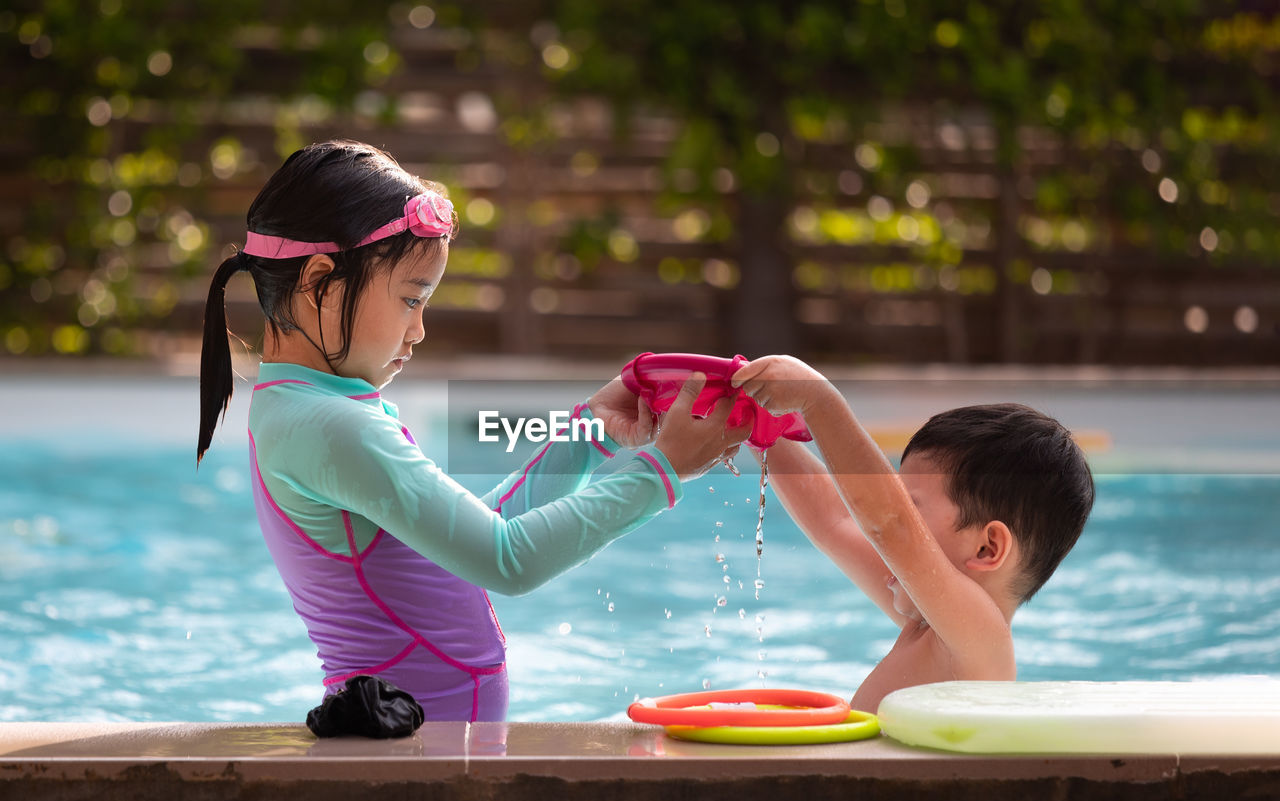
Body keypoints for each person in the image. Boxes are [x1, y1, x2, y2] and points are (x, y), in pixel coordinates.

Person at [197, 139, 747, 722]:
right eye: (412, 299)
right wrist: (662, 470)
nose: (420, 330)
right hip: (413, 759)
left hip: (412, 746)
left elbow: (473, 542)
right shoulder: (332, 426)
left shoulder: (309, 409)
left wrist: (589, 436)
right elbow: (507, 561)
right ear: (320, 284)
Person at [731, 355, 1094, 712]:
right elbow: (835, 521)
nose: (886, 515)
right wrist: (761, 430)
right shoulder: (928, 623)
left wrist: (818, 400)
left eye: (911, 505)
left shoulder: (981, 637)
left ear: (987, 548)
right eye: (898, 501)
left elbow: (891, 525)